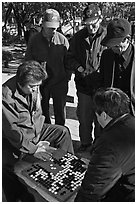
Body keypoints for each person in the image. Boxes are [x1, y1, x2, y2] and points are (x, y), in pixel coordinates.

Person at [2, 61, 74, 201]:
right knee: (5, 165)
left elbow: (38, 113)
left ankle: (68, 169)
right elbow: (13, 131)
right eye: (32, 87)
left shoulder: (34, 86)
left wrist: (40, 137)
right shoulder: (5, 97)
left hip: (36, 129)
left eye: (38, 86)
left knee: (63, 132)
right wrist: (34, 149)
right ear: (20, 82)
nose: (36, 90)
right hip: (17, 137)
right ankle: (18, 198)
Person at [75, 87, 135, 202]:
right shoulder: (132, 121)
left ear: (103, 115)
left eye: (96, 116)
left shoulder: (109, 143)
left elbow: (92, 190)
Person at [66, 4, 106, 152]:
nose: (90, 28)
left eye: (93, 24)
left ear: (100, 19)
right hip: (83, 86)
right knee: (84, 117)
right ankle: (85, 143)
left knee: (101, 120)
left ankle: (98, 146)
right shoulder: (78, 37)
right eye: (87, 25)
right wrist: (80, 68)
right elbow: (69, 58)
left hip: (102, 88)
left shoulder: (107, 36)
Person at [25, 9, 71, 126]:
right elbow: (28, 62)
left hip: (59, 82)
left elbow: (69, 61)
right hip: (41, 83)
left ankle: (60, 135)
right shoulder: (34, 40)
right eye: (50, 27)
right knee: (42, 112)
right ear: (43, 25)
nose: (53, 30)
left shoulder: (62, 40)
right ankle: (45, 134)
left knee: (60, 112)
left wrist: (67, 77)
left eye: (55, 27)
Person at [100, 18, 135, 115]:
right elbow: (102, 81)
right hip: (111, 111)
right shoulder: (106, 55)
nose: (111, 48)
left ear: (127, 39)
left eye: (115, 45)